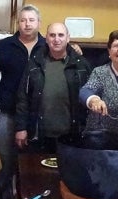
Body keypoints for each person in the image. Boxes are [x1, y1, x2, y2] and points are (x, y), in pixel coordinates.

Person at [0, 4, 45, 199]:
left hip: (39, 117)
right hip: (9, 113)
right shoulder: (4, 46)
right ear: (18, 23)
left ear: (38, 22)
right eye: (23, 20)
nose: (27, 23)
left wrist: (76, 48)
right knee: (6, 160)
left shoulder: (48, 46)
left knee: (34, 164)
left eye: (32, 20)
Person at [14, 23, 92, 153]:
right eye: (52, 35)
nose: (56, 39)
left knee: (69, 172)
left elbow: (90, 96)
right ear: (46, 38)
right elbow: (23, 97)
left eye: (61, 35)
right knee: (39, 172)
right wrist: (21, 128)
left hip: (72, 136)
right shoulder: (34, 63)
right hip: (40, 134)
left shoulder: (82, 65)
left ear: (68, 38)